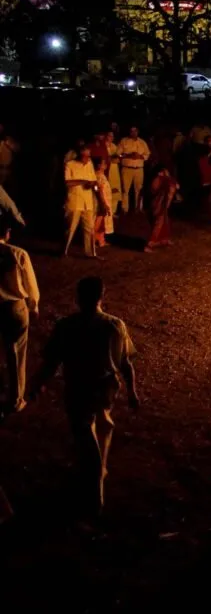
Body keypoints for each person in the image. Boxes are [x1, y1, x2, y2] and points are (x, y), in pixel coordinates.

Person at [30, 277, 139, 516]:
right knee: (102, 419)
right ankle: (98, 466)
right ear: (102, 297)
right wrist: (132, 391)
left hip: (79, 387)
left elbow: (51, 361)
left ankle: (95, 484)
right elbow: (125, 362)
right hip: (107, 386)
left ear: (77, 298)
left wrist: (37, 383)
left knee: (84, 430)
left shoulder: (66, 326)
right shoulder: (115, 325)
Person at [0, 217, 39, 416]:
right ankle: (16, 399)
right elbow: (30, 284)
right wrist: (34, 305)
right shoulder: (17, 253)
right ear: (6, 233)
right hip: (14, 307)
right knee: (16, 353)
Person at [64, 147, 98, 258]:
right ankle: (64, 250)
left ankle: (90, 253)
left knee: (90, 228)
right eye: (85, 156)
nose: (88, 158)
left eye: (89, 156)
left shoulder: (89, 164)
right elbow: (68, 182)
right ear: (79, 155)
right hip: (75, 201)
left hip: (87, 201)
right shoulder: (70, 164)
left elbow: (93, 179)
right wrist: (82, 181)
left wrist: (92, 185)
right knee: (71, 228)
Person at [117, 126, 150, 213]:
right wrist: (128, 155)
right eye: (131, 131)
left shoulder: (142, 142)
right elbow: (118, 154)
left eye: (135, 131)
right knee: (125, 189)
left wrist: (140, 156)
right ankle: (125, 208)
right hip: (126, 168)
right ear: (129, 132)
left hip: (139, 169)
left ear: (138, 132)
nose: (133, 133)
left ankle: (138, 208)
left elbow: (147, 154)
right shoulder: (124, 141)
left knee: (139, 189)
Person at [145, 165, 178, 252]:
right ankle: (150, 244)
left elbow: (174, 187)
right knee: (158, 224)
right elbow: (154, 190)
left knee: (165, 222)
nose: (166, 173)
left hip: (163, 205)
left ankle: (163, 239)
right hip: (158, 205)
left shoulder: (166, 180)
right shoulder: (159, 180)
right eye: (164, 172)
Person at [93, 159, 114, 248]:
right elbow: (98, 190)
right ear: (98, 165)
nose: (105, 165)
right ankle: (92, 241)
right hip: (101, 202)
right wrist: (103, 203)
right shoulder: (98, 176)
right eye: (103, 163)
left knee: (103, 222)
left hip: (106, 201)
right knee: (98, 222)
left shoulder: (102, 176)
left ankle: (101, 241)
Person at [104, 131, 122, 213]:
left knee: (116, 188)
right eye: (109, 136)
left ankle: (113, 211)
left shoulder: (114, 146)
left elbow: (117, 158)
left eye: (112, 136)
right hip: (108, 169)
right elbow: (107, 158)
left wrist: (115, 158)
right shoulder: (103, 146)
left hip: (115, 169)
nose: (111, 138)